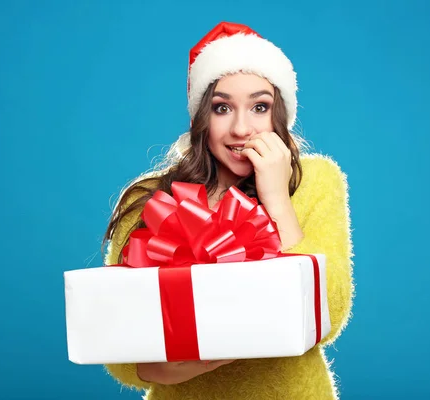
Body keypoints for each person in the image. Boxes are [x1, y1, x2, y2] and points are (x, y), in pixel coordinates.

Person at [100, 21, 354, 400]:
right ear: (202, 117)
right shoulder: (153, 197)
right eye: (222, 108)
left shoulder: (315, 181)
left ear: (279, 114)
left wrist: (277, 199)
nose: (241, 128)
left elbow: (328, 312)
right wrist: (182, 364)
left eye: (259, 107)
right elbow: (119, 345)